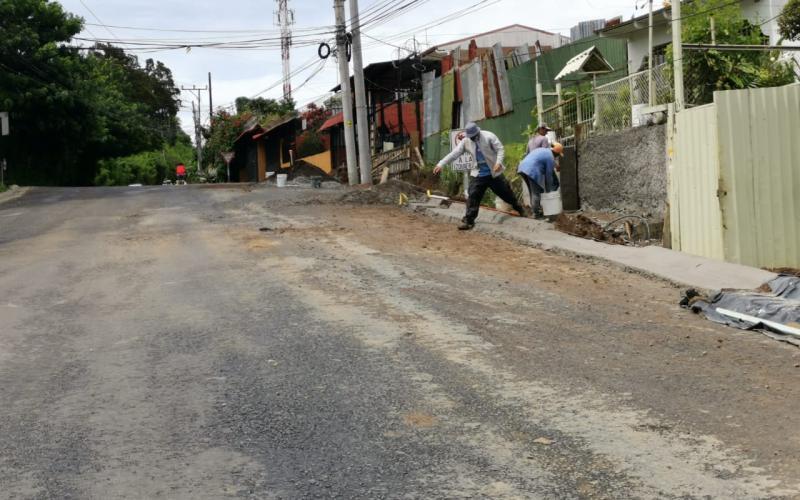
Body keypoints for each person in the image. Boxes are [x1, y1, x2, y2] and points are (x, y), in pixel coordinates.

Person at [434, 122, 529, 230]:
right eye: (470, 137)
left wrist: (498, 163)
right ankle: (469, 221)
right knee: (473, 195)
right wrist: (441, 164)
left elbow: (500, 149)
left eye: (474, 136)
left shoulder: (489, 136)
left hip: (494, 173)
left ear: (478, 133)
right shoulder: (466, 141)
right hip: (479, 174)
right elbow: (454, 153)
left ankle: (520, 209)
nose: (472, 139)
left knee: (506, 193)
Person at [517, 143, 563, 219]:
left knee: (533, 191)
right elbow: (549, 176)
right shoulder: (550, 157)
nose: (557, 157)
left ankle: (535, 210)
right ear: (556, 153)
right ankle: (536, 214)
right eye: (558, 155)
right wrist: (549, 192)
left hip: (523, 167)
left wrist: (555, 165)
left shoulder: (544, 150)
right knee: (536, 193)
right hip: (531, 170)